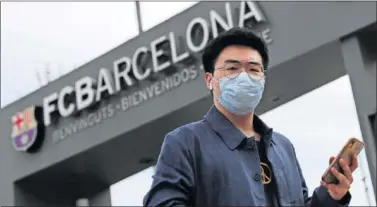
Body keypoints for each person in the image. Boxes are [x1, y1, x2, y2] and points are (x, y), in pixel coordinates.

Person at [143, 27, 358, 206]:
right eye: (232, 68)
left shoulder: (282, 147)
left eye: (253, 69)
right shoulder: (185, 142)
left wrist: (331, 196)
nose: (244, 76)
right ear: (209, 80)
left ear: (263, 79)